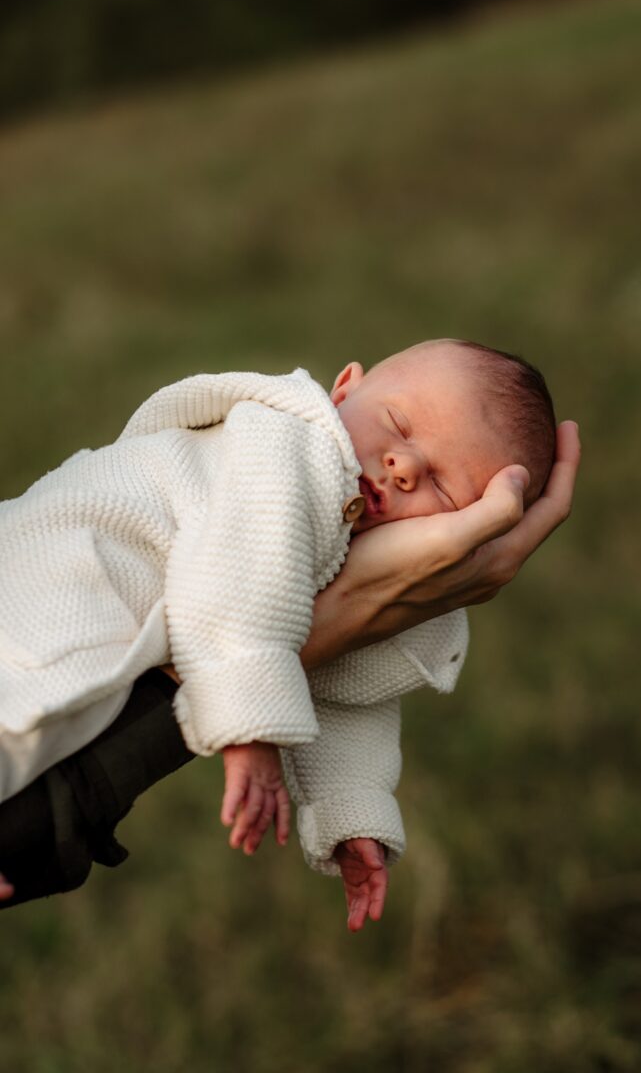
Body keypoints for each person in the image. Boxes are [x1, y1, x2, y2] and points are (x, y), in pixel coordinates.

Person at [0, 339, 580, 927]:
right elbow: (238, 575)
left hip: (88, 628)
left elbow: (347, 683)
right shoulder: (285, 445)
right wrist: (252, 731)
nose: (404, 467)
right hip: (46, 579)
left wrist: (349, 810)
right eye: (397, 425)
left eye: (444, 488)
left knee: (36, 731)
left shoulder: (353, 553)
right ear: (344, 390)